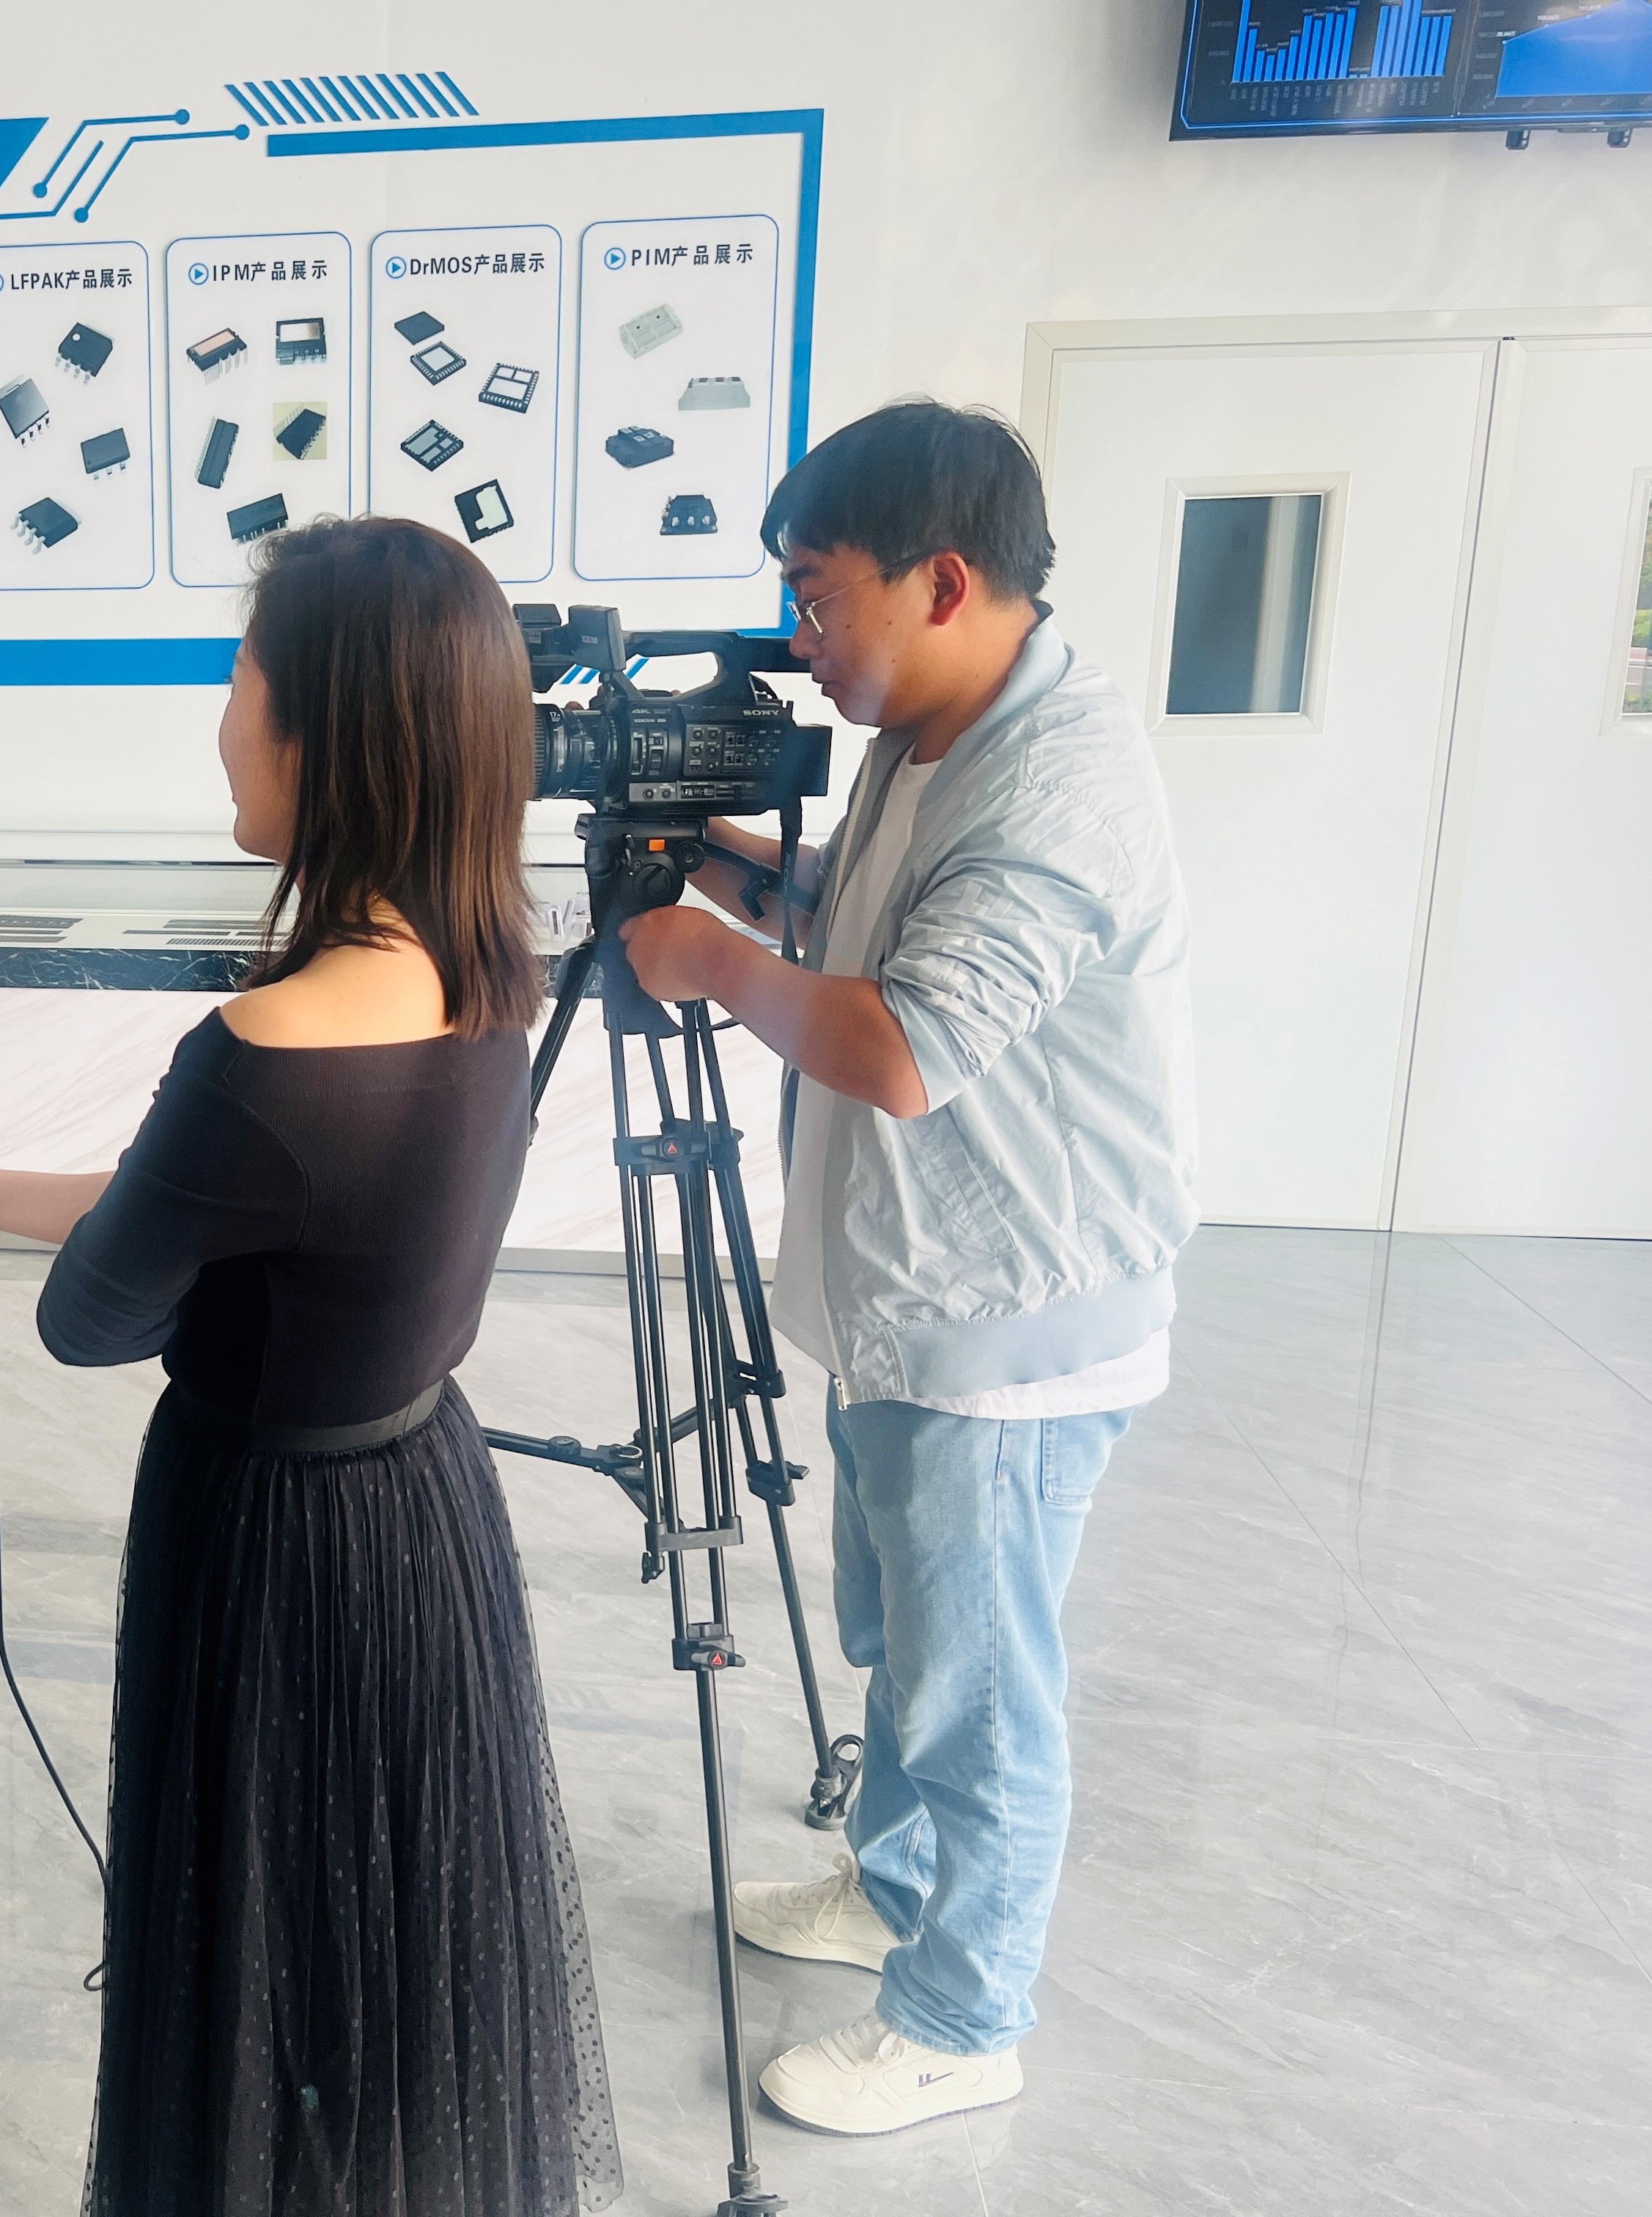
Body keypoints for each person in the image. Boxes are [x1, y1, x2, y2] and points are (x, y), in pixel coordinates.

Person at [0, 517, 621, 2216]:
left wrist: (63, 1230)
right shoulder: (485, 974)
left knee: (262, 1950)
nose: (221, 724)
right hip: (422, 1508)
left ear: (326, 732)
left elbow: (96, 1317)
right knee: (394, 1958)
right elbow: (270, 1217)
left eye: (240, 682)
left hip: (273, 1551)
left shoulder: (261, 1047)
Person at [616, 400, 1196, 2135]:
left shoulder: (1054, 779)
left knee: (978, 1695)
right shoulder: (932, 727)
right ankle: (890, 1891)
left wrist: (709, 960)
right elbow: (865, 929)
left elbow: (905, 1043)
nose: (798, 636)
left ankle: (963, 2014)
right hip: (914, 1301)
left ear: (941, 581)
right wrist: (724, 867)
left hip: (1009, 1327)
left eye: (816, 594)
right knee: (904, 1642)